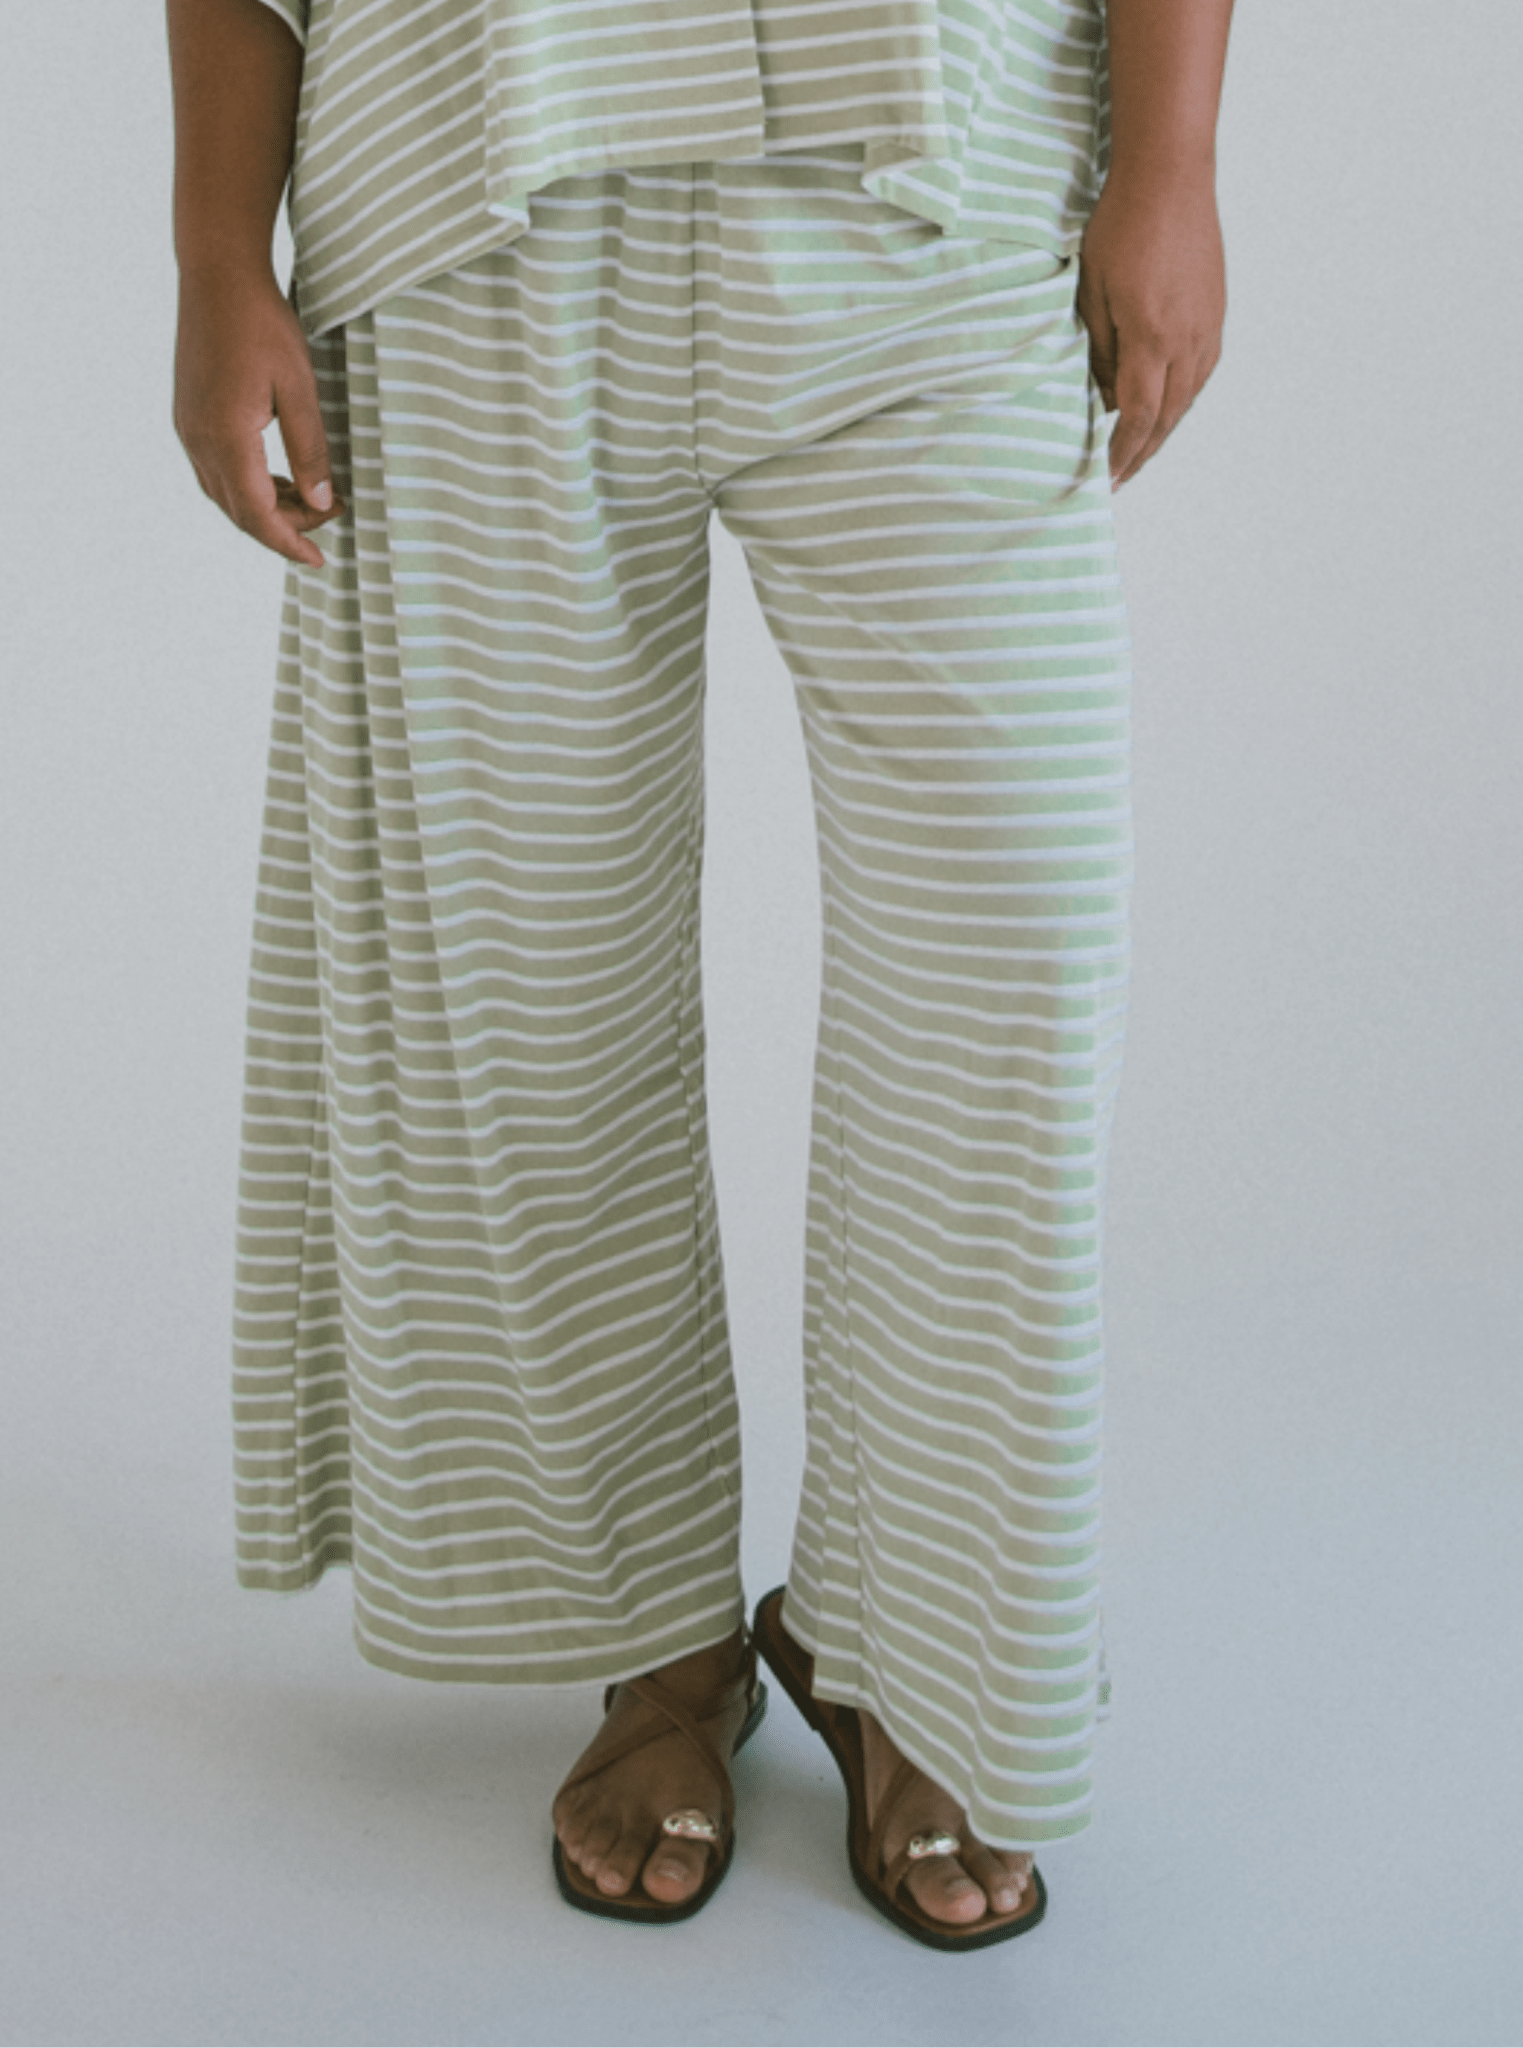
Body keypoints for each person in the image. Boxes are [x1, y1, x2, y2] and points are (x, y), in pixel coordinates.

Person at [168, 0, 1231, 1952]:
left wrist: (1171, 160)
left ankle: (912, 1644)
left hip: (940, 182)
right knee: (521, 982)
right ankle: (654, 1635)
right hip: (465, 184)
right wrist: (217, 250)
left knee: (1011, 946)